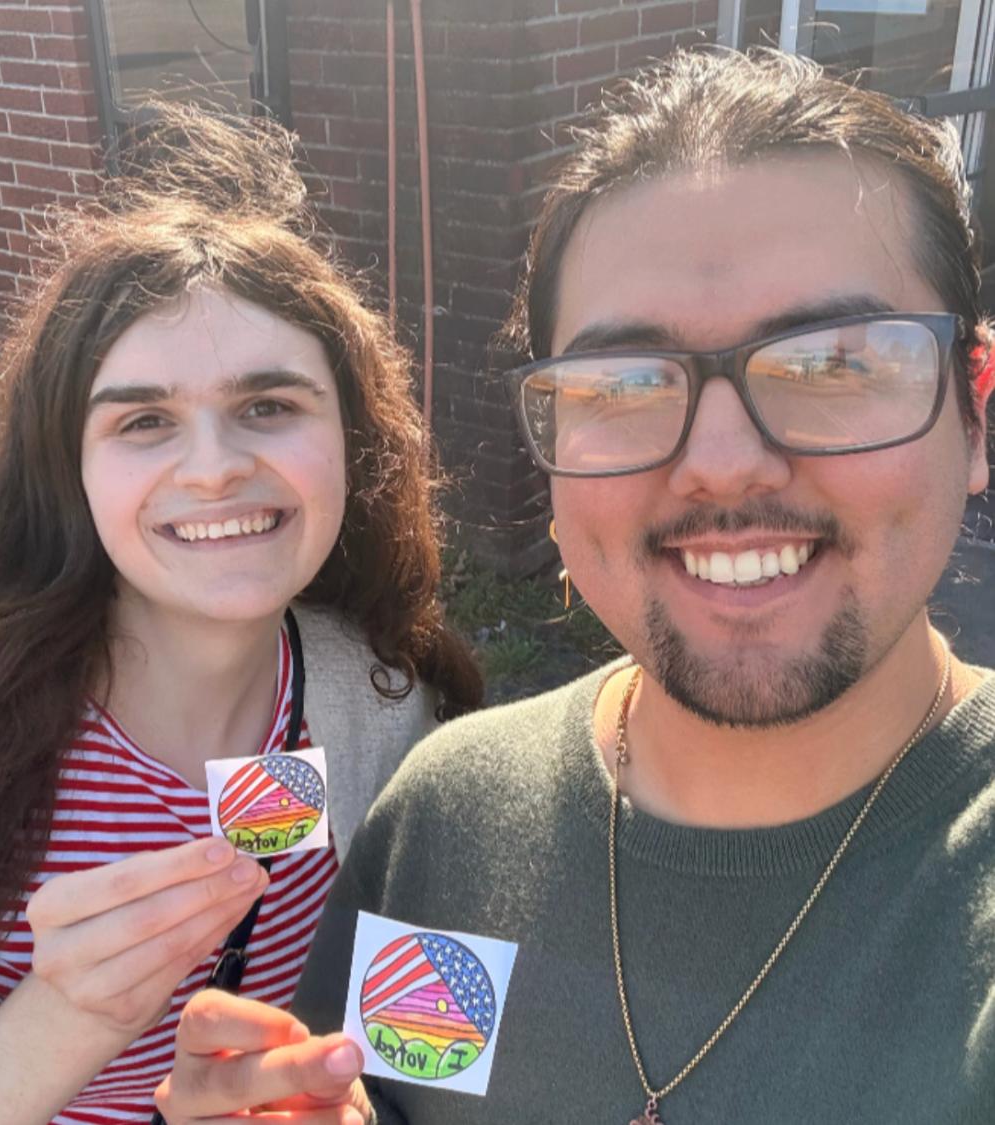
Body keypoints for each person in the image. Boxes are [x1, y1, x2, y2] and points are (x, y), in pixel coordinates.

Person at [155, 48, 995, 1124]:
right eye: (625, 385)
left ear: (975, 413)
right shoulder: (448, 825)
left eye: (834, 364)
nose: (723, 464)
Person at [0, 102, 481, 1125]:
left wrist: (351, 1099)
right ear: (65, 469)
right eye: (145, 420)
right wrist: (64, 1017)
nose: (214, 468)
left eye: (268, 407)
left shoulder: (382, 703)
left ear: (354, 440)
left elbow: (404, 1052)